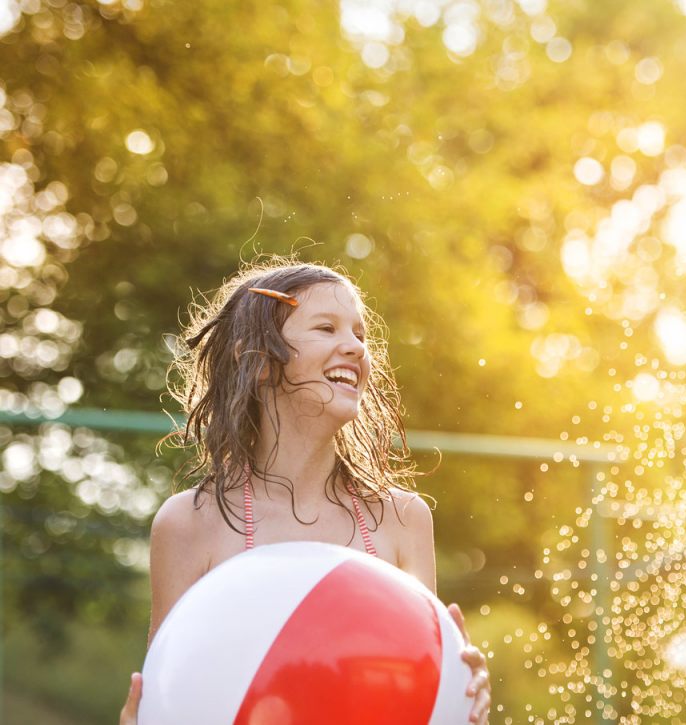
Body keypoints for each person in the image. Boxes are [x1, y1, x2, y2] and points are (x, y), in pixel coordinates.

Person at [120, 260, 491, 723]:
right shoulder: (190, 523)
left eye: (359, 333)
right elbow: (172, 693)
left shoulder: (402, 518)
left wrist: (460, 697)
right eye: (326, 327)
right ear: (256, 362)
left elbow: (419, 682)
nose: (354, 347)